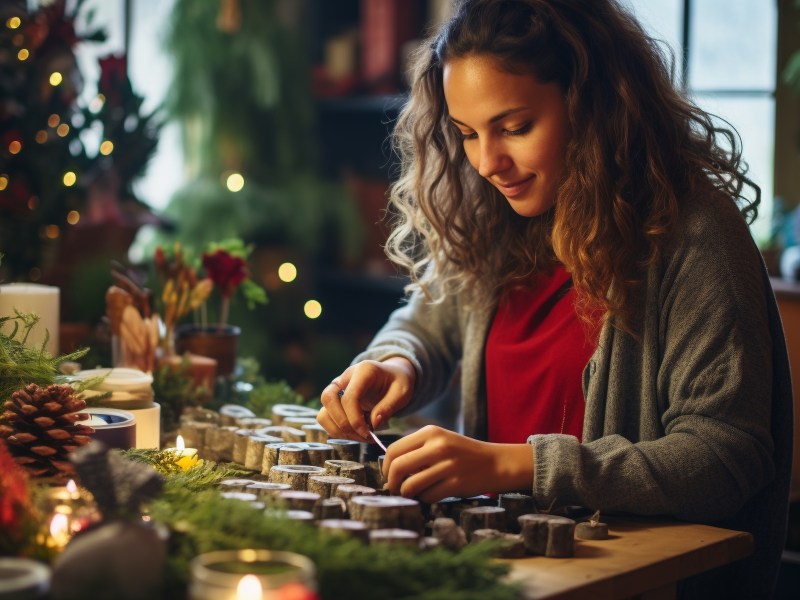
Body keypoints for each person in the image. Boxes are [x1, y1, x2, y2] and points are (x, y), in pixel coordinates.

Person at [316, 1, 793, 597]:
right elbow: (428, 323)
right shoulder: (494, 216)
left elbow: (724, 457)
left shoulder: (693, 231)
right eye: (467, 134)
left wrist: (512, 465)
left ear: (592, 105)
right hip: (510, 574)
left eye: (514, 128)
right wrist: (393, 363)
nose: (489, 163)